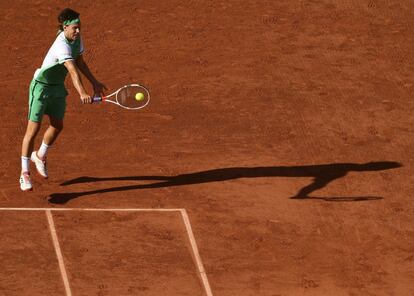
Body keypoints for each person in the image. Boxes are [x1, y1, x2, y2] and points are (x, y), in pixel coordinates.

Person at [19, 8, 106, 191]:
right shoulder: (61, 45)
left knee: (57, 125)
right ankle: (25, 174)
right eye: (75, 28)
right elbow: (72, 69)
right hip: (41, 88)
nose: (78, 31)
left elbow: (80, 63)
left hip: (57, 88)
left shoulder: (76, 38)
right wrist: (82, 92)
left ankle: (40, 156)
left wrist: (95, 82)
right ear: (65, 27)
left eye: (79, 27)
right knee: (33, 130)